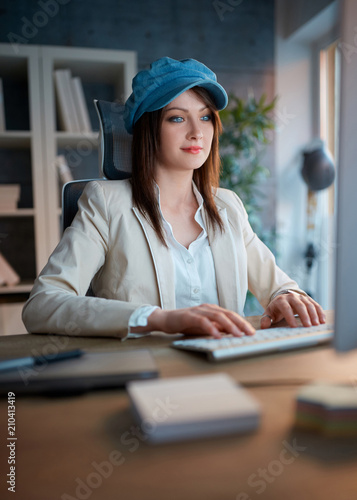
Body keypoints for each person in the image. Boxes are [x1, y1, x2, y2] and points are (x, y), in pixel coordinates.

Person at [22, 57, 325, 340]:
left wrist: (284, 297)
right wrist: (159, 319)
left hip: (227, 367)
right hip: (146, 371)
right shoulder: (105, 202)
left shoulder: (228, 206)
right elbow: (43, 305)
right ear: (149, 130)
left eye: (205, 117)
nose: (197, 133)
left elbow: (278, 286)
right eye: (177, 119)